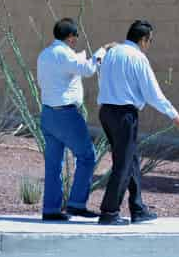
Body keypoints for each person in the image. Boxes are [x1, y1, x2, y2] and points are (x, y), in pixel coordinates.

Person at [97, 20, 179, 225]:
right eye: (150, 40)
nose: (149, 44)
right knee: (124, 164)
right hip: (124, 115)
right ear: (143, 39)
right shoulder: (138, 57)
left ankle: (138, 209)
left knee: (131, 160)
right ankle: (109, 213)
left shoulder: (112, 53)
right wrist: (174, 115)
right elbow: (152, 93)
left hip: (106, 112)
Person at [37, 17, 107, 221]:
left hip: (48, 113)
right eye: (75, 37)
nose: (76, 40)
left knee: (53, 164)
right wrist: (100, 52)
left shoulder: (45, 53)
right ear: (70, 37)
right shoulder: (63, 53)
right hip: (65, 114)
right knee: (87, 156)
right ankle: (76, 204)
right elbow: (88, 70)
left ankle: (50, 210)